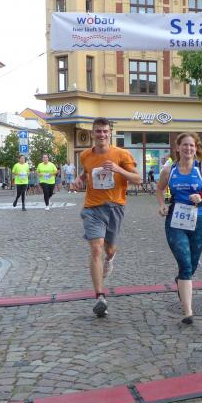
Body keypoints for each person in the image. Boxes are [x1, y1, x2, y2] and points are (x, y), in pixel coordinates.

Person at [73, 118, 141, 318]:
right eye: (98, 131)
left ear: (110, 133)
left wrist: (118, 169)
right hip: (92, 208)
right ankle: (100, 297)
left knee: (109, 249)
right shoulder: (85, 155)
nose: (101, 135)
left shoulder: (121, 154)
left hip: (114, 207)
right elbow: (86, 172)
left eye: (104, 131)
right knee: (96, 249)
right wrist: (79, 179)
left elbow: (138, 179)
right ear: (92, 133)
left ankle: (110, 258)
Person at [156, 133, 202, 325]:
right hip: (175, 221)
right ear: (178, 147)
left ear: (195, 148)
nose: (188, 148)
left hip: (199, 220)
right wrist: (162, 205)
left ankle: (181, 281)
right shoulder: (169, 170)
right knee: (185, 264)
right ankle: (188, 312)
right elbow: (159, 188)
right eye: (185, 145)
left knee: (192, 264)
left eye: (191, 145)